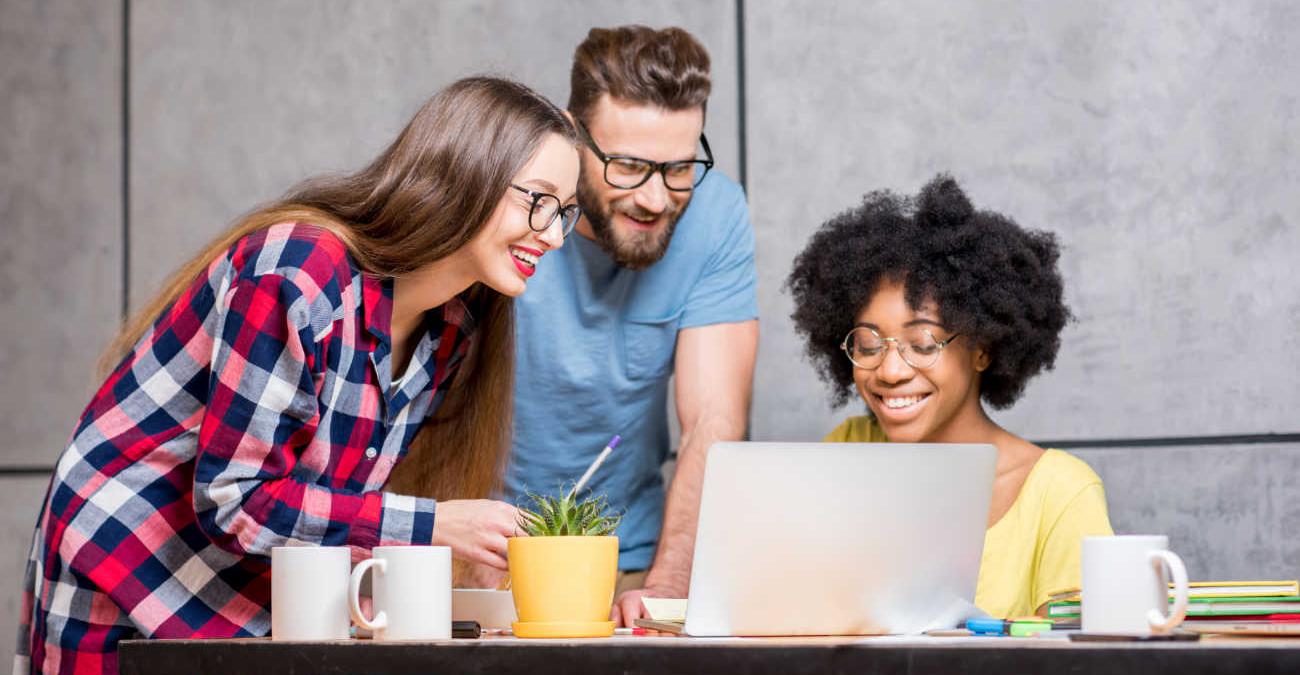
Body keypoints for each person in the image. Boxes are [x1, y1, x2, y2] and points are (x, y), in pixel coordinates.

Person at [16, 76, 580, 673]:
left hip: (246, 597)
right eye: (538, 201)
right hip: (123, 568)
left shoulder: (454, 328)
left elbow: (329, 507)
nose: (552, 234)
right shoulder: (297, 272)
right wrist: (435, 525)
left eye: (565, 212)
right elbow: (237, 502)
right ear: (470, 172)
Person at [500, 26, 759, 627]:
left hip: (635, 561)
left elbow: (713, 421)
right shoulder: (504, 202)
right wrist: (464, 556)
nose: (654, 198)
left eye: (678, 168)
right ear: (571, 137)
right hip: (480, 552)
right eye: (628, 166)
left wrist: (667, 586)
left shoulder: (716, 213)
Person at [786, 174, 1114, 619]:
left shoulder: (1058, 493)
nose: (891, 370)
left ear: (981, 348)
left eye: (922, 343)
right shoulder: (849, 449)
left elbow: (1084, 661)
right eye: (868, 343)